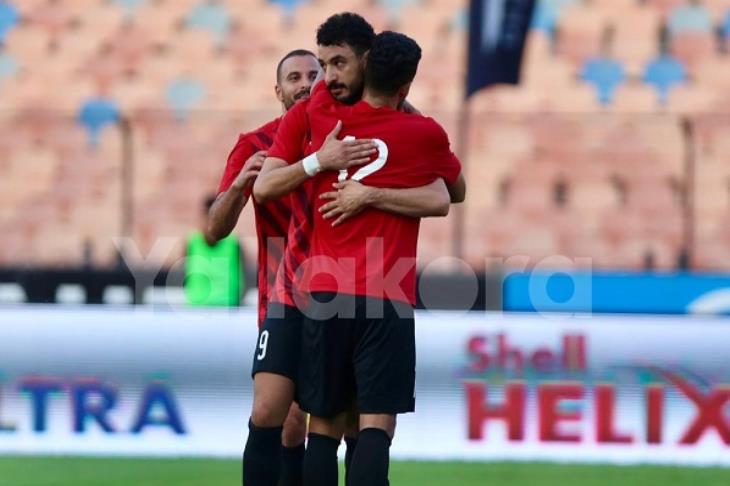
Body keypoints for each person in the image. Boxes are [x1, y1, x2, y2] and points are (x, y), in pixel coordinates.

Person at [249, 12, 463, 486]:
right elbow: (450, 193)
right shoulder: (420, 131)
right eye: (321, 66)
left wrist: (366, 193)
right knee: (373, 427)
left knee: (323, 426)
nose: (325, 79)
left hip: (325, 293)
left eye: (336, 64)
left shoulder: (333, 115)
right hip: (380, 296)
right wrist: (318, 161)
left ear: (367, 61)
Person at [208, 49, 322, 486]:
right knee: (282, 415)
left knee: (325, 419)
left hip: (342, 296)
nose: (305, 84)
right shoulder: (255, 144)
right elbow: (215, 230)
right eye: (294, 77)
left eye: (314, 74)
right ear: (278, 90)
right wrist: (240, 184)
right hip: (280, 297)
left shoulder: (342, 141)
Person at [185, 194, 244, 307]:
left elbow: (241, 279)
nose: (208, 223)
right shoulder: (191, 242)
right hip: (196, 309)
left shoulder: (234, 244)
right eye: (205, 217)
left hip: (227, 308)